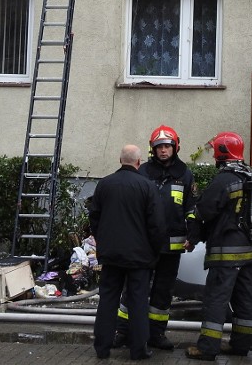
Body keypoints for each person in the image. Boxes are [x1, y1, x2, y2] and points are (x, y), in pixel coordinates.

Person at [113, 125, 197, 351]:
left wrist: (193, 235)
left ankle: (156, 334)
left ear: (175, 147)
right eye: (159, 147)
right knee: (133, 289)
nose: (163, 151)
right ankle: (123, 331)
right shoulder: (142, 172)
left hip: (172, 246)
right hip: (144, 244)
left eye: (167, 146)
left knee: (163, 291)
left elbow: (191, 208)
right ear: (153, 149)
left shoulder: (185, 175)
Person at [184, 132, 252, 361]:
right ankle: (242, 344)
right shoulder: (250, 177)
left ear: (222, 152)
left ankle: (207, 348)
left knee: (216, 300)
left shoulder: (224, 180)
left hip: (225, 252)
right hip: (249, 251)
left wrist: (193, 237)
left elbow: (203, 211)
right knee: (245, 300)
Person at [89, 144, 165, 361]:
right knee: (138, 301)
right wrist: (154, 251)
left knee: (108, 300)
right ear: (139, 162)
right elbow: (157, 224)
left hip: (111, 255)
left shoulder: (105, 184)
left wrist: (103, 242)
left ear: (119, 160)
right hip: (140, 257)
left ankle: (102, 348)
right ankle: (138, 349)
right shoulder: (147, 186)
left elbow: (94, 217)